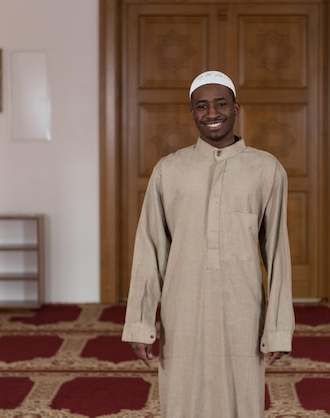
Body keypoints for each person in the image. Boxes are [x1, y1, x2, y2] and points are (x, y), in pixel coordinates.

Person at [121, 70, 294, 418]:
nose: (212, 113)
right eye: (202, 106)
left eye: (220, 104)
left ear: (236, 108)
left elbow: (277, 254)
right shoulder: (169, 170)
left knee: (241, 396)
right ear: (192, 114)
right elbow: (150, 249)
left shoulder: (266, 169)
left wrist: (277, 330)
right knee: (182, 397)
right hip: (182, 306)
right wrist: (140, 323)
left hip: (243, 307)